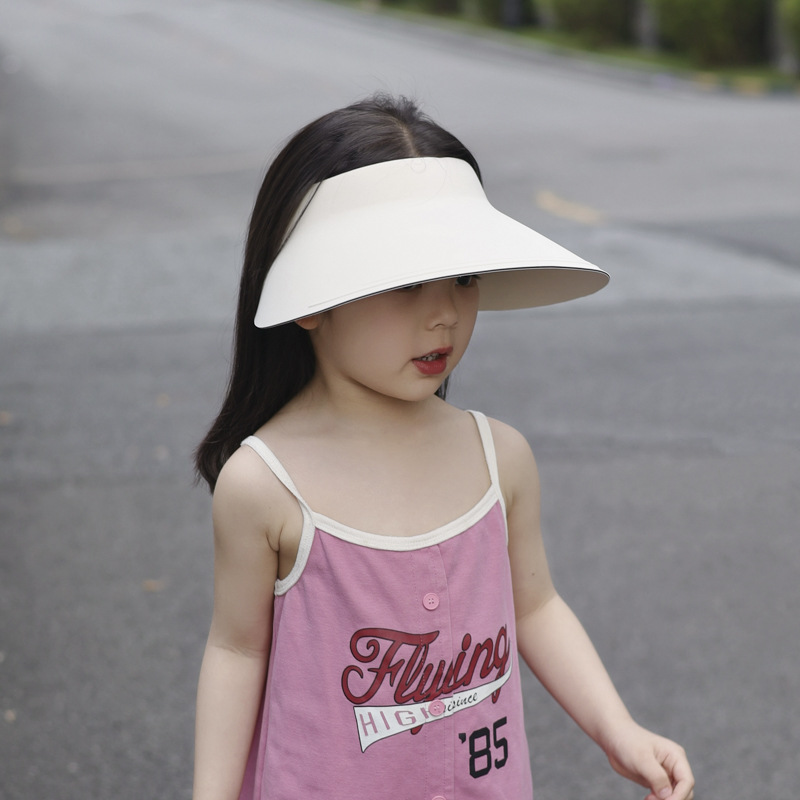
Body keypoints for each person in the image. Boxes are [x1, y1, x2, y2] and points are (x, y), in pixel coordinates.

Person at [193, 94, 694, 800]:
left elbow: (536, 607)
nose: (444, 314)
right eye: (406, 283)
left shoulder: (499, 457)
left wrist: (619, 729)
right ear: (309, 297)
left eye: (462, 277)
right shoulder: (266, 484)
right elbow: (237, 648)